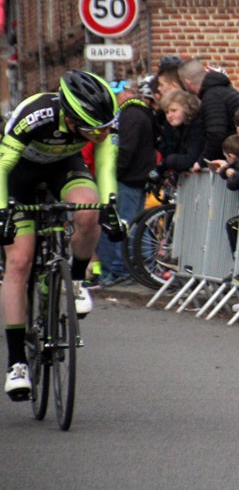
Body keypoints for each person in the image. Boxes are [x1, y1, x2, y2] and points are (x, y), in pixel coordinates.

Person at [0, 70, 124, 401]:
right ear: (70, 118)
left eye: (105, 126)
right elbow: (2, 166)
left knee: (88, 211)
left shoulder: (101, 128)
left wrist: (110, 207)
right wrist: (3, 212)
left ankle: (78, 279)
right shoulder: (34, 114)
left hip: (62, 167)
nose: (102, 133)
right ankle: (16, 363)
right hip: (17, 176)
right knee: (19, 260)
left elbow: (106, 167)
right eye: (93, 128)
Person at [96, 81, 157, 286]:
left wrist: (115, 173)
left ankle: (122, 269)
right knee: (134, 223)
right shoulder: (137, 113)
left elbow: (126, 149)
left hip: (128, 179)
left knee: (123, 224)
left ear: (125, 94)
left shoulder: (131, 115)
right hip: (134, 177)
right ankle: (139, 267)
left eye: (115, 94)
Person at [178, 59, 239, 165]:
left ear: (187, 82)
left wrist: (203, 161)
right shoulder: (221, 91)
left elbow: (216, 133)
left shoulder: (212, 97)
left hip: (237, 158)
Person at [156, 89, 205, 174]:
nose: (169, 116)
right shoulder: (172, 129)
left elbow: (191, 158)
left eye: (174, 110)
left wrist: (167, 162)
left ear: (186, 108)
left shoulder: (197, 128)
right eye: (167, 112)